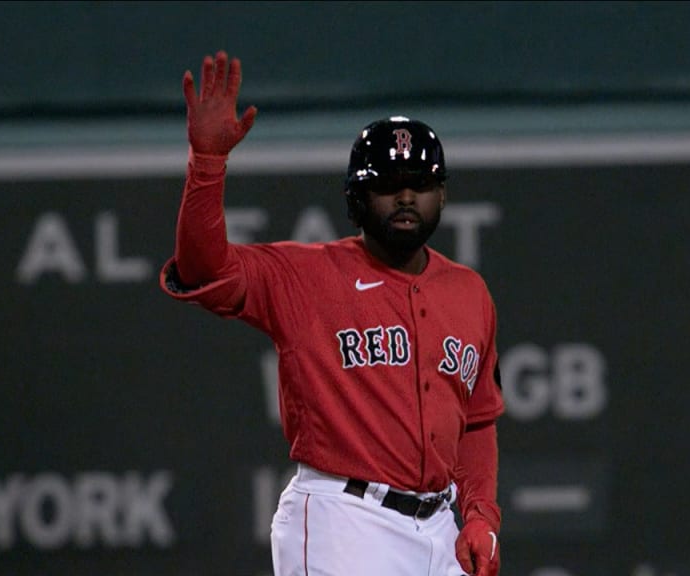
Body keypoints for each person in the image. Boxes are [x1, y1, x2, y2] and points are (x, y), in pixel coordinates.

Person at [160, 51, 505, 576]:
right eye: (388, 186)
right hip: (345, 518)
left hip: (440, 525)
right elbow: (203, 268)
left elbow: (476, 422)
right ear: (357, 198)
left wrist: (480, 516)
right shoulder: (305, 275)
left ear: (442, 195)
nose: (406, 196)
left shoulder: (469, 292)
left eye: (420, 183)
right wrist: (207, 164)